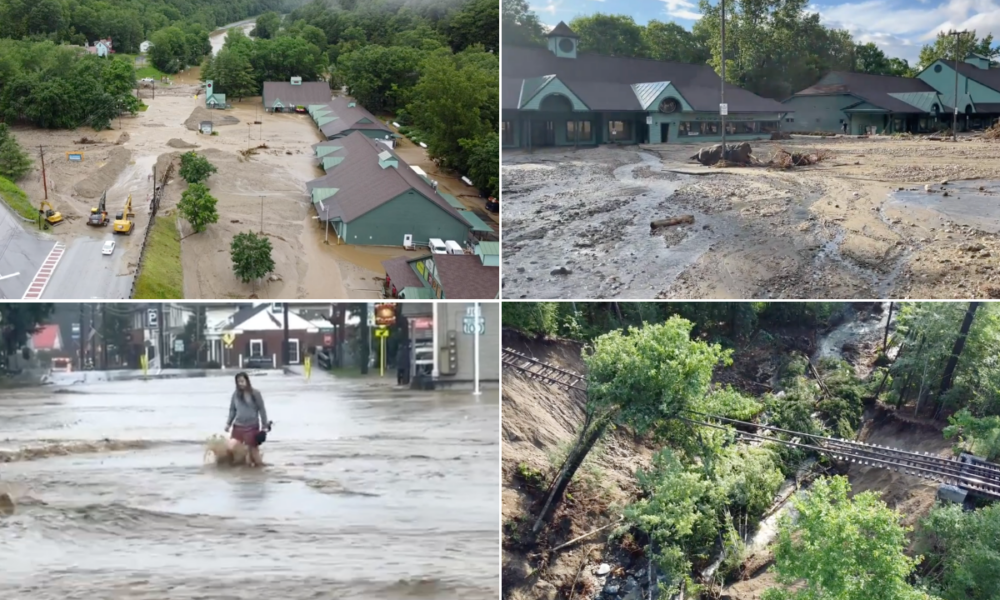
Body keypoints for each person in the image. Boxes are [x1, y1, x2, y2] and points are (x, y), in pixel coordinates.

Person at [225, 372, 269, 467]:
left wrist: (264, 425)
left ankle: (260, 471)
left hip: (252, 426)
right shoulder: (235, 395)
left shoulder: (255, 394)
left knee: (254, 453)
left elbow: (262, 409)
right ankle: (235, 464)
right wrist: (228, 423)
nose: (240, 383)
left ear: (247, 381)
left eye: (242, 381)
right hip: (238, 426)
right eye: (238, 382)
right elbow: (232, 410)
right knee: (230, 447)